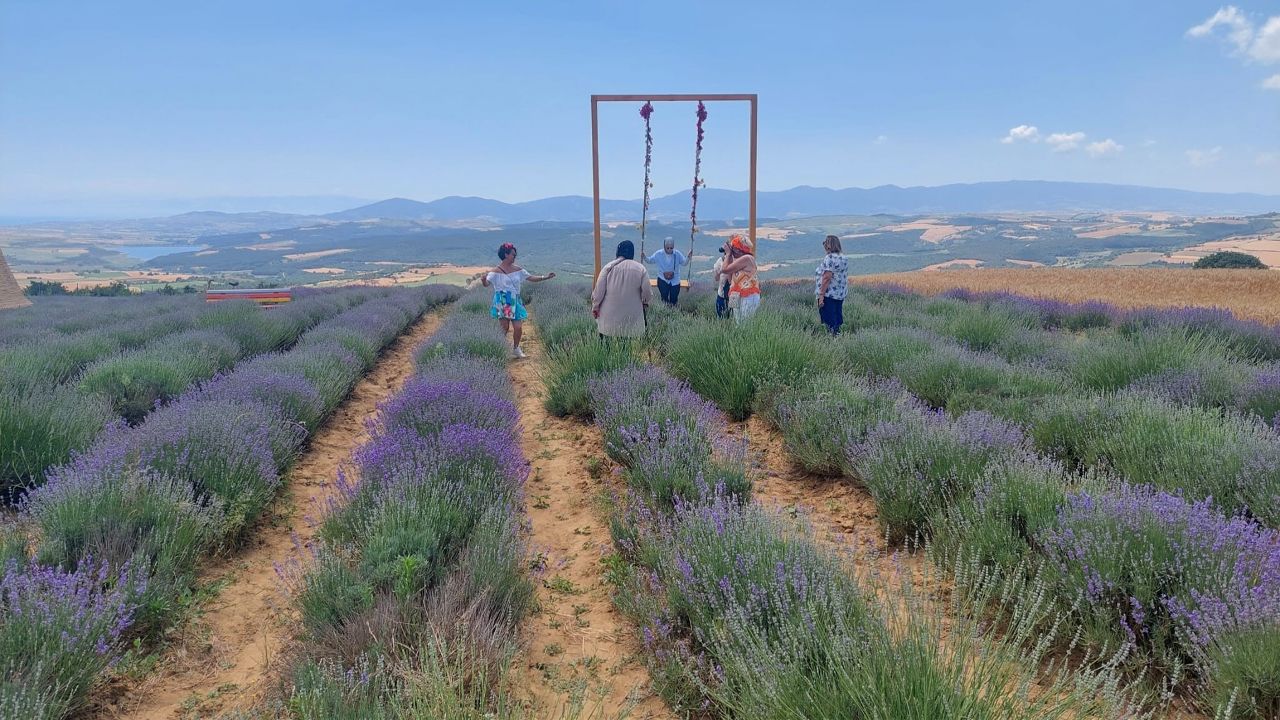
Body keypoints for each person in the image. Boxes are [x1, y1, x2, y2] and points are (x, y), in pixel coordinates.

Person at [480, 242, 555, 358]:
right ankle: (498, 347)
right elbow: (486, 284)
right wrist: (483, 280)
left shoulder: (518, 269)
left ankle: (516, 348)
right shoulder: (495, 271)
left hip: (515, 300)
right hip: (503, 300)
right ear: (506, 255)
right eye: (513, 255)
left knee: (518, 327)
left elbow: (530, 278)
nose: (515, 257)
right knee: (504, 328)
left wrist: (545, 277)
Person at [592, 240, 651, 338]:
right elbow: (647, 293)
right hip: (632, 323)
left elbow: (598, 294)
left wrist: (595, 307)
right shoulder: (641, 269)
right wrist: (645, 303)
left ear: (617, 252)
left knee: (606, 348)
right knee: (627, 348)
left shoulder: (607, 268)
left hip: (608, 323)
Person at [815, 234, 849, 335]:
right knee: (837, 316)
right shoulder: (843, 257)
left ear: (829, 245)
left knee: (829, 319)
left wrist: (821, 295)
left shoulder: (829, 258)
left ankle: (833, 339)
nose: (824, 245)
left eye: (826, 243)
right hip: (840, 293)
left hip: (829, 293)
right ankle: (837, 335)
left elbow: (826, 277)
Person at [721, 234, 760, 322]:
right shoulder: (737, 261)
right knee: (737, 323)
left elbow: (724, 269)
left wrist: (728, 255)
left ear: (738, 250)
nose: (732, 250)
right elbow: (730, 280)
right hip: (735, 294)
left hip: (748, 295)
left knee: (746, 323)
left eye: (733, 248)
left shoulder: (747, 258)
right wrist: (730, 258)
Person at [644, 238, 688, 306]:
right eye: (668, 248)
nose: (670, 250)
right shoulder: (658, 254)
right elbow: (650, 260)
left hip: (675, 280)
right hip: (662, 279)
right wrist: (644, 257)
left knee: (674, 300)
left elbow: (684, 263)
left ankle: (673, 312)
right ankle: (665, 312)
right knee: (664, 299)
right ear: (664, 247)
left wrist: (688, 257)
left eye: (671, 248)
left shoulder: (677, 254)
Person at [712, 247, 728, 318]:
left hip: (732, 296)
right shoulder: (720, 261)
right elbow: (716, 278)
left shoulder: (736, 261)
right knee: (721, 317)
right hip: (722, 295)